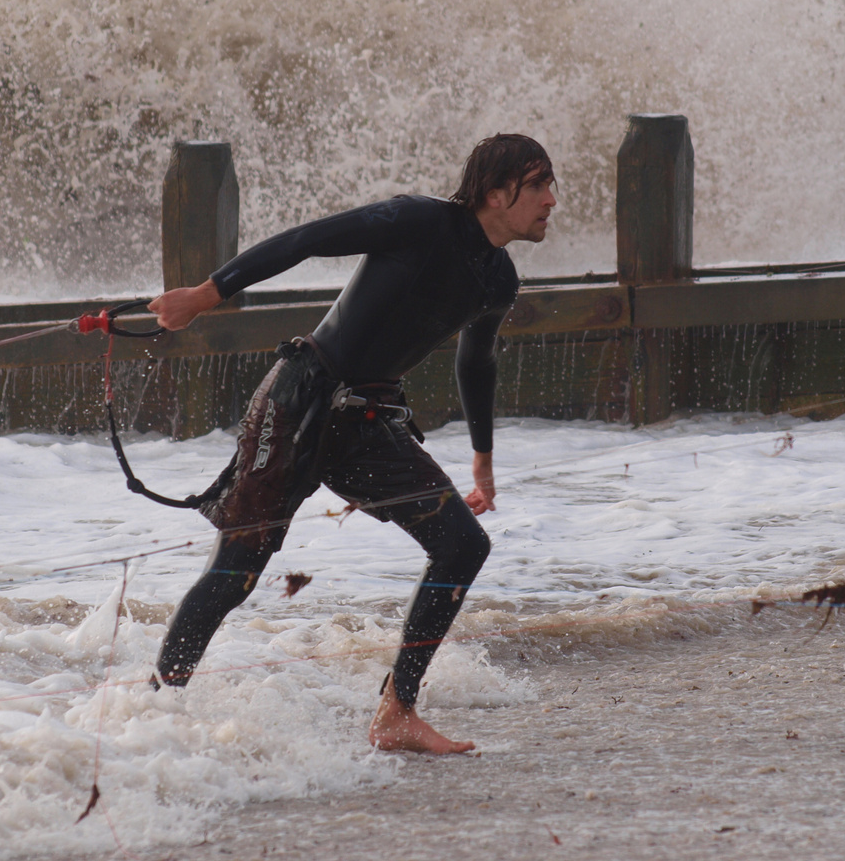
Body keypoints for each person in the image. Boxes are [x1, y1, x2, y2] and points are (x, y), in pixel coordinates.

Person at [147, 133, 556, 754]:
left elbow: (478, 359)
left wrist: (483, 461)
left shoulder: (497, 279)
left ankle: (396, 713)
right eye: (540, 186)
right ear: (498, 194)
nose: (553, 200)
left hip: (368, 422)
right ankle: (156, 711)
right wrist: (209, 295)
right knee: (236, 572)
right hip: (300, 400)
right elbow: (309, 239)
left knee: (461, 547)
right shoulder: (419, 222)